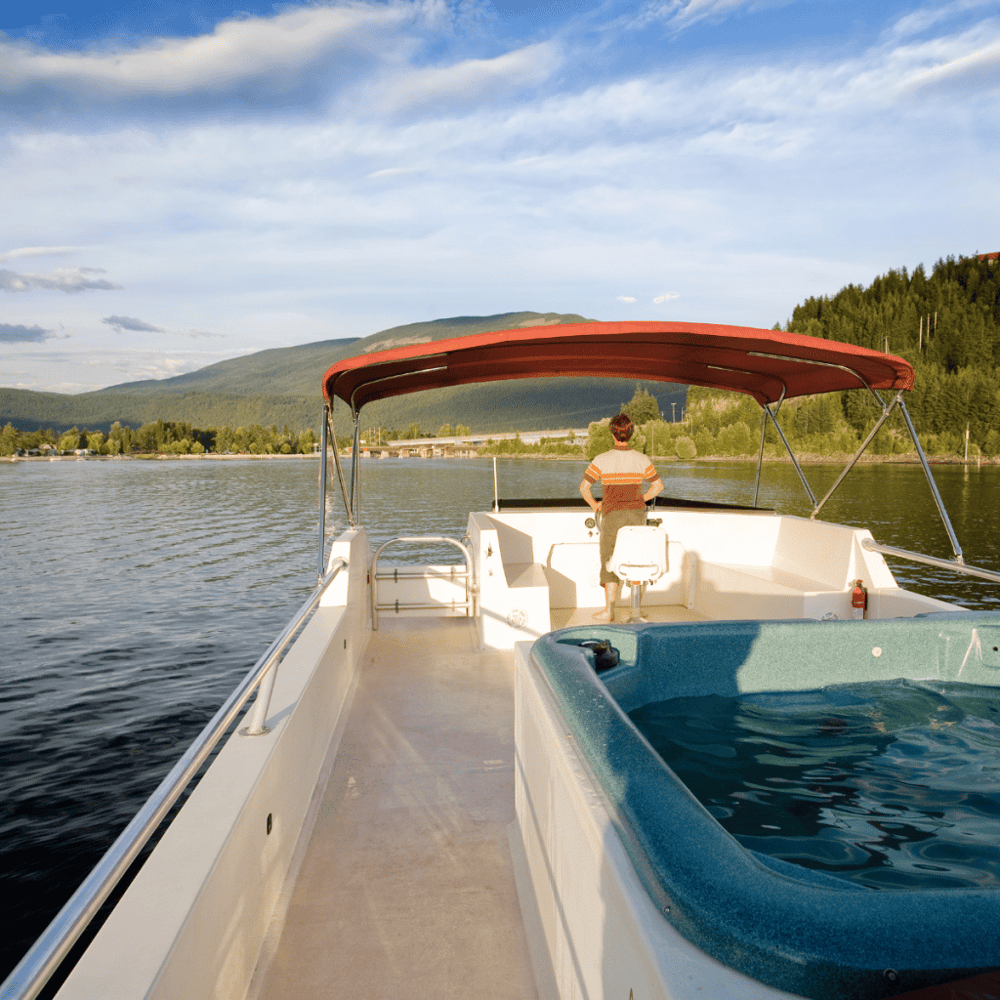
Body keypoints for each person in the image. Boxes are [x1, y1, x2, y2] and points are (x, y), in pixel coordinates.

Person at [579, 413, 664, 621]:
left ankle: (609, 611)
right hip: (636, 516)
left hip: (611, 516)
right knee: (638, 558)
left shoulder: (602, 459)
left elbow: (584, 488)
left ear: (612, 433)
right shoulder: (642, 459)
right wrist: (640, 499)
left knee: (609, 560)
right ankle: (636, 611)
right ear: (631, 433)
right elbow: (658, 487)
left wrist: (595, 505)